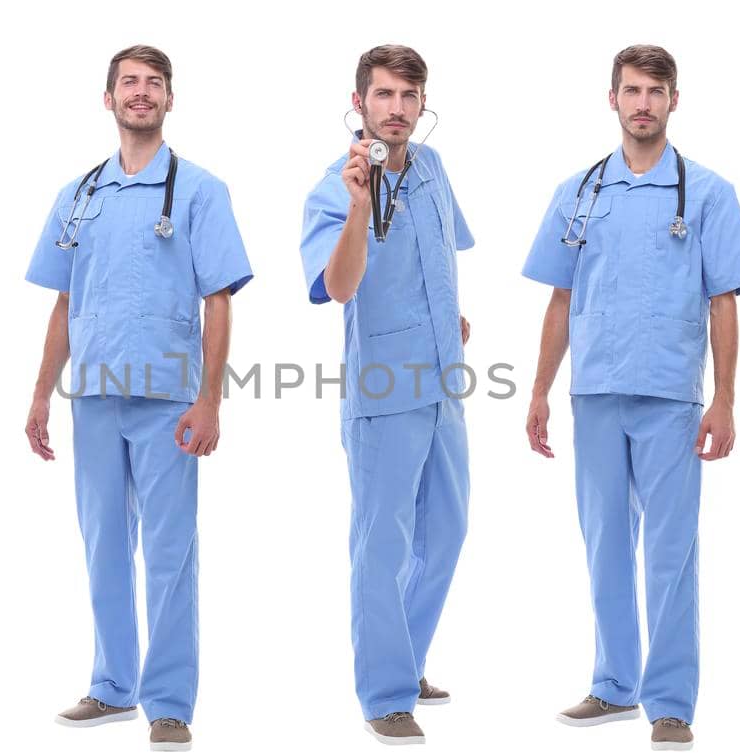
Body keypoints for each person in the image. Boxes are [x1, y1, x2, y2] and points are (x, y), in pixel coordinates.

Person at [522, 44, 740, 752]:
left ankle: (669, 702)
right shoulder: (581, 190)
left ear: (673, 100)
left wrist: (725, 398)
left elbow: (724, 301)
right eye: (631, 90)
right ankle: (613, 683)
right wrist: (538, 389)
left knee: (669, 553)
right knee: (603, 546)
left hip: (669, 397)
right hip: (594, 390)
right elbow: (561, 299)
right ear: (613, 99)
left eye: (655, 91)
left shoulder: (708, 193)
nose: (643, 104)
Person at [24, 44, 252, 753]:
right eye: (129, 82)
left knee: (169, 552)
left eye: (154, 83)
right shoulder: (80, 193)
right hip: (91, 394)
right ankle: (112, 683)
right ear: (109, 98)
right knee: (102, 547)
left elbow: (219, 300)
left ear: (169, 99)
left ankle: (170, 702)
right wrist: (39, 397)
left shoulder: (200, 190)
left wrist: (210, 400)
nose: (141, 92)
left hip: (167, 401)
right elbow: (65, 303)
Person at [298, 44, 473, 747]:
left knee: (447, 531)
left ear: (421, 104)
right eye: (384, 95)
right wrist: (356, 207)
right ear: (360, 101)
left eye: (408, 96)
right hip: (383, 391)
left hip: (443, 382)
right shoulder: (333, 188)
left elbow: (440, 255)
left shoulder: (432, 169)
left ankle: (407, 659)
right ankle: (384, 692)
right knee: (381, 544)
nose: (396, 109)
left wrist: (449, 314)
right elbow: (338, 286)